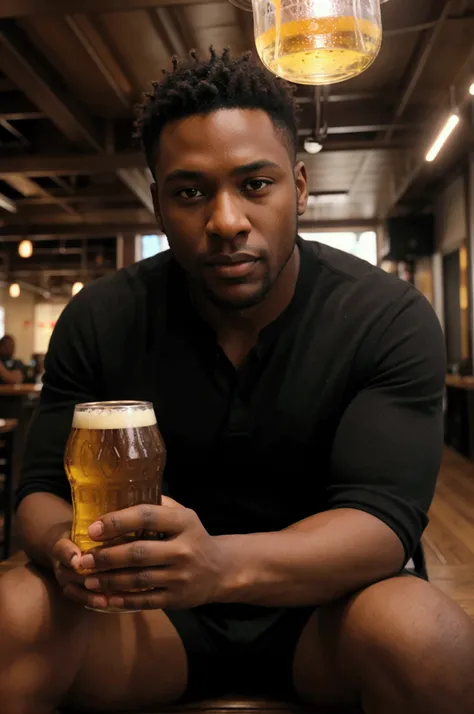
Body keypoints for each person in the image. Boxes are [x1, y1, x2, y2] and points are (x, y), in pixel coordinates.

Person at [1, 47, 473, 714]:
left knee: (436, 639)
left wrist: (217, 565)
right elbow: (41, 492)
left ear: (300, 188)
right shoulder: (102, 317)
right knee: (11, 611)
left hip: (325, 615)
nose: (226, 222)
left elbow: (382, 521)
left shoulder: (385, 317)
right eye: (191, 192)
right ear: (159, 204)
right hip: (145, 616)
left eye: (256, 184)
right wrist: (65, 552)